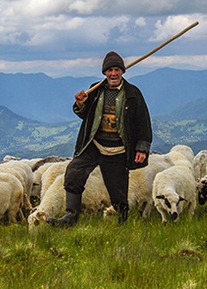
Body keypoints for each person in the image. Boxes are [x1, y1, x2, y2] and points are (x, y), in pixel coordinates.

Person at [47, 51, 152, 227]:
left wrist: (142, 147)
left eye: (117, 69)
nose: (113, 74)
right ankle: (70, 217)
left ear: (122, 72)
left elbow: (143, 121)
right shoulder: (95, 90)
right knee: (73, 173)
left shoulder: (133, 94)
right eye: (110, 70)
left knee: (117, 190)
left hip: (118, 149)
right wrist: (81, 103)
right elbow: (85, 114)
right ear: (104, 72)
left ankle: (122, 221)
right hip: (93, 145)